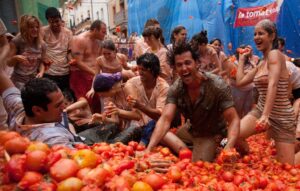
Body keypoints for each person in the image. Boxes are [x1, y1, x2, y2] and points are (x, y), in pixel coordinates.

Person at [145, 41, 240, 162]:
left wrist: (228, 147)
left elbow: (233, 119)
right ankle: (189, 150)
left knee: (199, 164)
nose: (184, 68)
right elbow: (165, 119)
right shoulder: (176, 88)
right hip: (191, 129)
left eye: (188, 63)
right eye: (179, 65)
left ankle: (219, 143)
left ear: (197, 64)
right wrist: (149, 149)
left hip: (211, 132)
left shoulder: (217, 85)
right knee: (158, 134)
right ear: (175, 69)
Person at [235, 19, 296, 165]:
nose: (256, 37)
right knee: (234, 133)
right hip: (261, 110)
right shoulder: (261, 62)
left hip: (282, 117)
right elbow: (240, 82)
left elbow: (273, 83)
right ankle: (247, 156)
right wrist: (242, 59)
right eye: (255, 34)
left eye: (261, 33)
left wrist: (266, 116)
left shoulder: (275, 54)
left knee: (287, 167)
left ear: (272, 36)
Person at [0, 40, 79, 147]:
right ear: (37, 110)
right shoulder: (53, 138)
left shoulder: (18, 109)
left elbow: (4, 82)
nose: (64, 108)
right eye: (57, 105)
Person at [125, 53, 169, 145]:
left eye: (144, 70)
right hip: (137, 125)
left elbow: (160, 115)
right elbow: (136, 115)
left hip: (156, 126)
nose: (140, 72)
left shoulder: (163, 87)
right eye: (139, 69)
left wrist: (140, 106)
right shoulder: (132, 83)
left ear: (153, 71)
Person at [87, 72, 142, 144]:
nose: (102, 97)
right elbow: (115, 121)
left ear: (111, 88)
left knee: (132, 128)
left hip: (139, 124)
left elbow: (138, 116)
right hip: (124, 127)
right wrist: (103, 118)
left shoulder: (127, 88)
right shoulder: (110, 96)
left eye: (103, 94)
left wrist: (119, 112)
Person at [70, 20, 107, 113]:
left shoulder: (99, 42)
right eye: (103, 32)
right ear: (95, 30)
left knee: (98, 105)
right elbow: (78, 62)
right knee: (86, 105)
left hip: (93, 76)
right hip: (80, 76)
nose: (105, 34)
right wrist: (95, 73)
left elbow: (98, 59)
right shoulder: (79, 39)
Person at [7, 15, 46, 89]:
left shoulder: (42, 44)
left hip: (33, 79)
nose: (35, 29)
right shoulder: (17, 41)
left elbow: (42, 62)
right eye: (31, 27)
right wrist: (15, 58)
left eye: (37, 27)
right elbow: (9, 63)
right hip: (18, 80)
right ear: (25, 28)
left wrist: (41, 72)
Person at [42, 7, 73, 92]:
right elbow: (39, 48)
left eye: (57, 21)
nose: (55, 24)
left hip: (65, 72)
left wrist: (71, 60)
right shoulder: (43, 31)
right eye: (52, 22)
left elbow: (68, 52)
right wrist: (44, 58)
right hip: (49, 72)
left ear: (60, 19)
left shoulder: (68, 33)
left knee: (66, 97)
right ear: (48, 21)